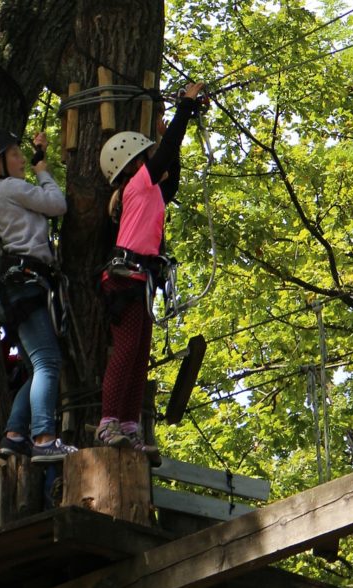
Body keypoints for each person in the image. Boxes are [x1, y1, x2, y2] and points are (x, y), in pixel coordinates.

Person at [97, 82, 206, 466]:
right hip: (126, 279)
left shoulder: (151, 191)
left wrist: (170, 130)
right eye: (148, 156)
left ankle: (128, 425)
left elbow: (170, 173)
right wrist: (184, 107)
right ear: (134, 164)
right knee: (126, 353)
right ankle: (108, 422)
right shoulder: (137, 186)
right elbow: (166, 157)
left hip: (140, 280)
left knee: (139, 356)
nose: (154, 162)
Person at [0, 127, 78, 463]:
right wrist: (43, 172)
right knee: (48, 362)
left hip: (11, 290)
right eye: (14, 154)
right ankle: (43, 438)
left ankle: (15, 435)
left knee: (35, 367)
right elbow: (58, 205)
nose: (21, 160)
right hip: (25, 285)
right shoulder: (10, 188)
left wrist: (38, 155)